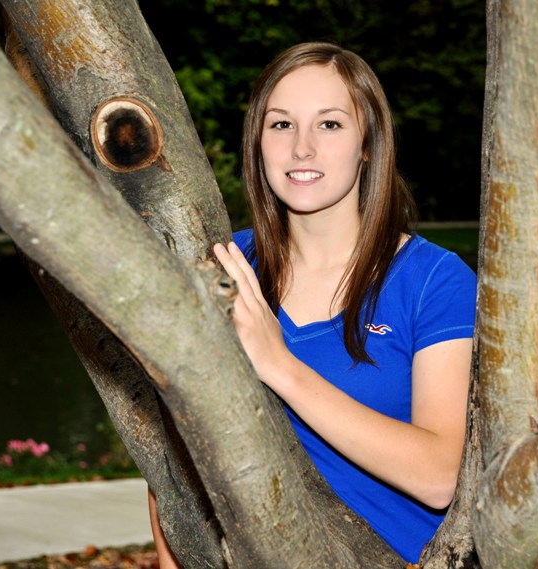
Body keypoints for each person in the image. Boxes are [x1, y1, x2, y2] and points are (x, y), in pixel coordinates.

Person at [149, 41, 477, 565]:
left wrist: (279, 365)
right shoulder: (226, 269)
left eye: (329, 124)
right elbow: (172, 457)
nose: (302, 148)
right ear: (258, 142)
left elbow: (441, 476)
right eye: (281, 124)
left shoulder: (434, 281)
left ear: (368, 143)